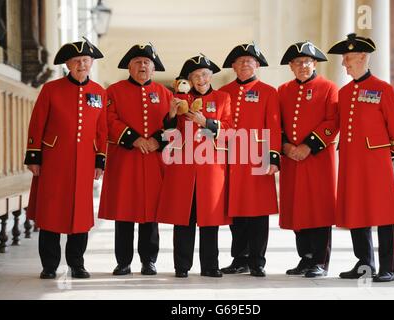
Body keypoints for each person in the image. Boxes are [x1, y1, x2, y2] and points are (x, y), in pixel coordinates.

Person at [24, 38, 107, 279]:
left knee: (80, 215)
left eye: (85, 60)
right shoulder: (51, 89)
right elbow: (37, 123)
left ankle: (77, 264)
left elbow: (102, 130)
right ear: (68, 65)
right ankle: (49, 266)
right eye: (76, 61)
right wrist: (34, 156)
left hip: (84, 163)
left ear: (91, 62)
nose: (82, 64)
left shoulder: (99, 92)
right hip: (53, 160)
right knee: (51, 212)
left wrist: (100, 161)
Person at [328, 33, 394, 282]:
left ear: (362, 57)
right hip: (351, 162)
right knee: (357, 211)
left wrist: (387, 154)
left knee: (384, 214)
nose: (344, 63)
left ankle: (387, 268)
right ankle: (365, 264)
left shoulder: (383, 89)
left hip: (376, 162)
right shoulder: (344, 92)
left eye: (348, 58)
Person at [98, 44, 172, 276]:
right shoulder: (114, 91)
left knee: (151, 214)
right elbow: (108, 119)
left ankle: (149, 261)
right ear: (129, 66)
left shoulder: (165, 93)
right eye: (138, 61)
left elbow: (173, 124)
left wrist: (157, 141)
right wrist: (133, 138)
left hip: (153, 160)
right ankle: (123, 262)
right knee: (124, 212)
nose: (142, 65)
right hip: (125, 158)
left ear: (154, 67)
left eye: (147, 62)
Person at [156, 54, 232, 278]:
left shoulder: (223, 98)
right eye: (196, 76)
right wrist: (171, 113)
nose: (201, 79)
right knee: (184, 217)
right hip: (184, 165)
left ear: (211, 76)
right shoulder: (179, 98)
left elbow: (228, 128)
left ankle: (210, 266)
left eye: (205, 75)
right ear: (188, 79)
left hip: (211, 166)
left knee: (210, 219)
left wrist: (206, 122)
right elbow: (169, 131)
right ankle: (182, 266)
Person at [219, 43, 281, 277]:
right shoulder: (223, 91)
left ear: (257, 65)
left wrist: (272, 158)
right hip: (230, 158)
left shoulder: (268, 91)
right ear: (233, 66)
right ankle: (239, 258)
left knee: (258, 212)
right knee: (236, 212)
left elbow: (274, 126)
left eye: (250, 60)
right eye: (241, 61)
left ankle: (257, 260)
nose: (245, 64)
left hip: (257, 158)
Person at [278, 41, 339, 278]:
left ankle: (320, 261)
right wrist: (284, 145)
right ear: (291, 66)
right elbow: (276, 122)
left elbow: (332, 122)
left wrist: (308, 146)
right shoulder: (283, 90)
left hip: (318, 159)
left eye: (307, 62)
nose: (303, 66)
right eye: (297, 62)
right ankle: (305, 258)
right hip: (292, 159)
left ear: (314, 63)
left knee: (319, 208)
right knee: (297, 208)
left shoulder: (329, 87)